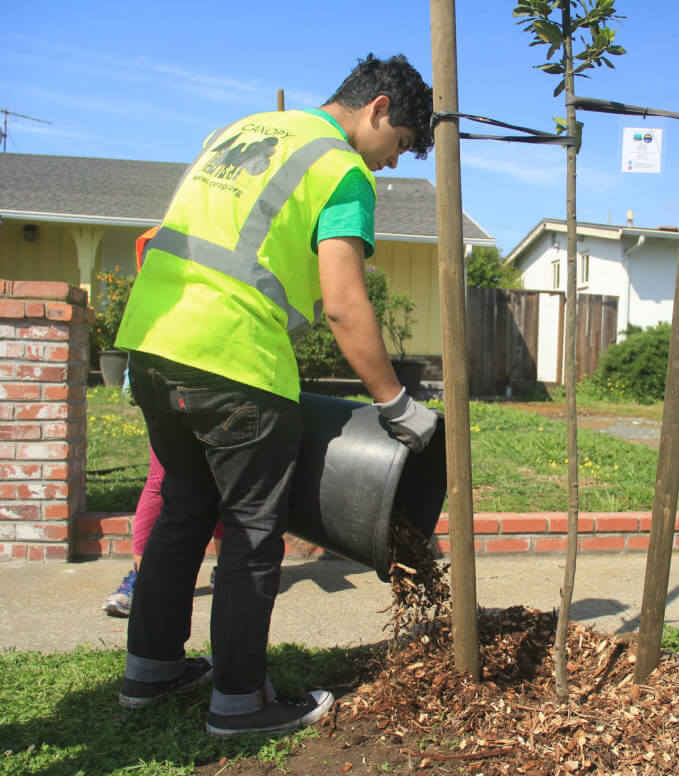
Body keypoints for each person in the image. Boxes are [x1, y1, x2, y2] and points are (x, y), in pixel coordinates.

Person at [112, 54, 437, 737]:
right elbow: (346, 306)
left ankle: (150, 672)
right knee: (253, 532)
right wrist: (396, 404)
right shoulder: (340, 168)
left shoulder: (245, 129)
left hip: (153, 345)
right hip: (235, 362)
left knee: (182, 512)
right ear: (378, 109)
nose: (394, 162)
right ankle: (239, 703)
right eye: (402, 144)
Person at [103, 227, 225, 618]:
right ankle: (141, 575)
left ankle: (226, 575)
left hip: (226, 374)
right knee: (163, 479)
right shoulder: (167, 236)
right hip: (169, 374)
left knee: (229, 485)